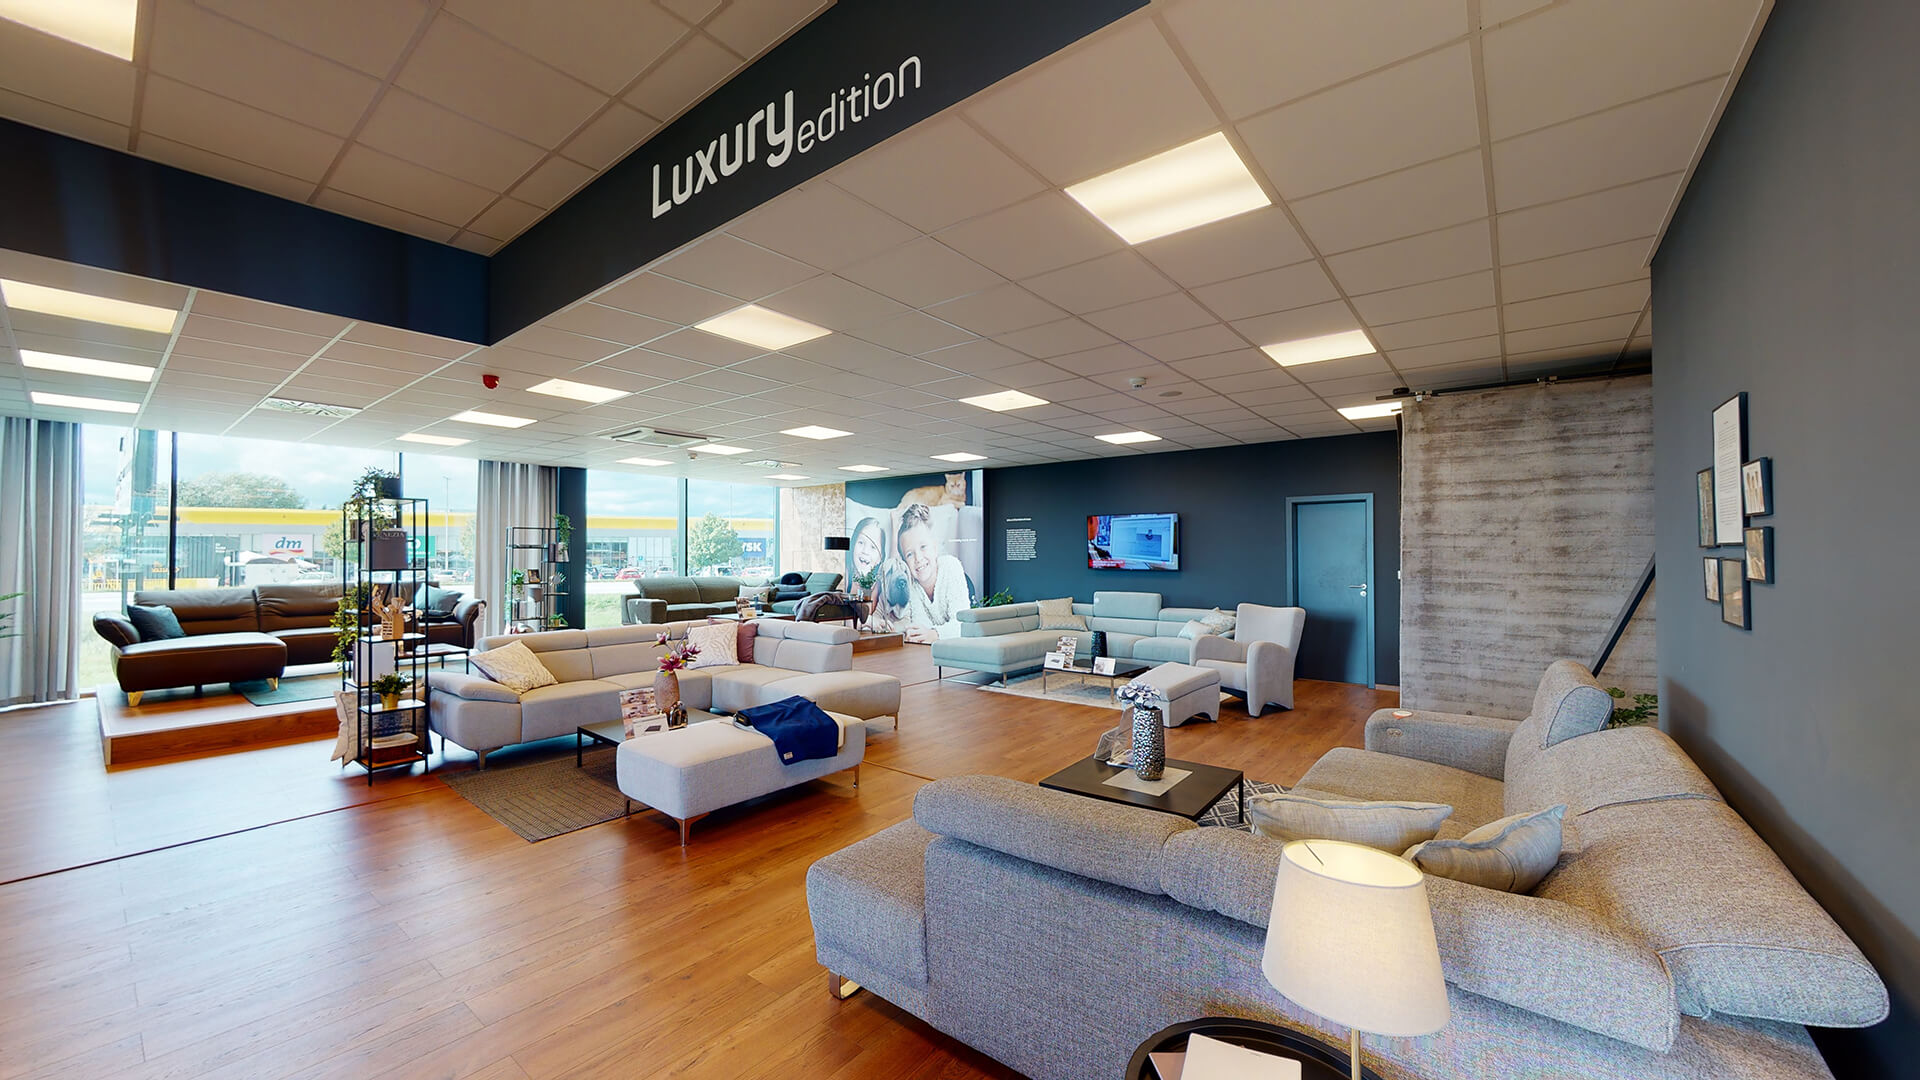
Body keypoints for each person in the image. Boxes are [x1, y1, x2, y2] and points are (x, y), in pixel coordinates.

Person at [895, 504, 971, 642]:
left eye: (923, 547)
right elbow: (920, 626)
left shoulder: (951, 566)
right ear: (904, 562)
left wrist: (934, 634)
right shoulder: (911, 584)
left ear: (935, 547)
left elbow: (963, 624)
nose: (918, 559)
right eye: (910, 554)